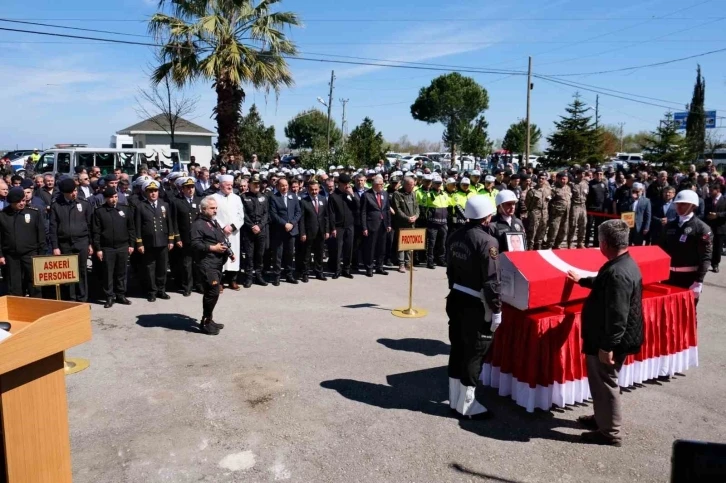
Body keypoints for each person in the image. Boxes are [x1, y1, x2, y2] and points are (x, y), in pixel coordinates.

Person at [566, 220, 643, 447]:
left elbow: (617, 316)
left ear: (606, 243)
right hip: (617, 337)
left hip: (609, 340)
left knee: (605, 382)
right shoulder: (623, 263)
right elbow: (603, 284)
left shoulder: (618, 272)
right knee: (602, 382)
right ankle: (602, 418)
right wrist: (582, 280)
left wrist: (607, 347)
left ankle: (609, 432)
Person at [445, 196, 501, 419]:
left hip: (456, 296)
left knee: (457, 347)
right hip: (476, 302)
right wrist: (496, 309)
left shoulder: (455, 236)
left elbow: (449, 270)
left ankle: (454, 399)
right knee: (475, 352)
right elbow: (491, 280)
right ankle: (467, 405)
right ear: (487, 217)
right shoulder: (488, 242)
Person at [659, 189, 712, 304]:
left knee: (686, 314)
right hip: (668, 277)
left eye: (683, 204)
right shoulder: (669, 226)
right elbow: (661, 250)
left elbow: (705, 257)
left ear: (693, 206)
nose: (679, 207)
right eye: (677, 204)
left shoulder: (702, 228)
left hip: (689, 278)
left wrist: (699, 281)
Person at [191, 196, 232, 335]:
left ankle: (209, 318)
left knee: (212, 292)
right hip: (206, 263)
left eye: (216, 208)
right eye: (212, 208)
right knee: (213, 291)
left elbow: (222, 238)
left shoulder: (213, 222)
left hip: (217, 262)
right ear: (203, 209)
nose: (215, 211)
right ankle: (206, 322)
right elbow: (195, 244)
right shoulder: (198, 224)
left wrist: (230, 252)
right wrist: (212, 248)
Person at [49, 178, 93, 302]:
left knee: (82, 270)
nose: (74, 193)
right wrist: (55, 246)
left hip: (82, 241)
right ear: (64, 193)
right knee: (68, 273)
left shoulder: (84, 203)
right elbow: (53, 227)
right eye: (71, 192)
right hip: (64, 243)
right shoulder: (56, 205)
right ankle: (70, 298)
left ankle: (83, 297)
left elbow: (90, 224)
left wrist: (90, 244)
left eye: (75, 190)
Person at [92, 187, 135, 308]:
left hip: (123, 246)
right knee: (108, 273)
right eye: (111, 197)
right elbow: (96, 232)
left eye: (115, 197)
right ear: (106, 198)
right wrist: (98, 249)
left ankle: (120, 295)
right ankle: (109, 296)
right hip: (107, 248)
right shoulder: (100, 211)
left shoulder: (125, 209)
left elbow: (131, 228)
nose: (113, 199)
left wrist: (131, 244)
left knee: (121, 272)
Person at [0, 187, 46, 297]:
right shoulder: (3, 215)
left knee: (34, 282)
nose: (22, 203)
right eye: (18, 202)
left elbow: (41, 234)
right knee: (14, 284)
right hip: (11, 255)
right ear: (11, 202)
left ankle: (36, 306)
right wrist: (1, 255)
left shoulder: (33, 213)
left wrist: (41, 254)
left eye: (23, 201)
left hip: (30, 253)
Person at [135, 179, 175, 302]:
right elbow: (137, 226)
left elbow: (169, 223)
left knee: (162, 268)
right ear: (146, 192)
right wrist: (139, 243)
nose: (153, 193)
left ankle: (161, 290)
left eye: (155, 191)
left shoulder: (164, 205)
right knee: (150, 268)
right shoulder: (141, 206)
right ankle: (151, 291)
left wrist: (171, 240)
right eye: (150, 191)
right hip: (148, 243)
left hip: (163, 241)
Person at [211, 174, 245, 290]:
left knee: (234, 256)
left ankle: (232, 280)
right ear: (220, 185)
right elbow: (212, 215)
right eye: (227, 185)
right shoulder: (213, 198)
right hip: (219, 232)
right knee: (221, 257)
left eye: (231, 185)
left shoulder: (237, 198)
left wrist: (232, 227)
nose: (230, 187)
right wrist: (222, 227)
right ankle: (220, 282)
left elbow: (241, 216)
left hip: (234, 233)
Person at [170, 177, 202, 296]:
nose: (190, 189)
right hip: (184, 237)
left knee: (198, 262)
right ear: (182, 189)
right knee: (186, 263)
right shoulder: (176, 201)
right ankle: (187, 286)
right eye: (187, 187)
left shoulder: (199, 200)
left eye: (192, 187)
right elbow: (174, 222)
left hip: (198, 237)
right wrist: (177, 238)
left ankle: (199, 284)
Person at [269, 178, 301, 285]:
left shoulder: (293, 196)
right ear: (278, 186)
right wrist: (284, 224)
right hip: (279, 230)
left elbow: (298, 212)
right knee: (278, 255)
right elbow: (273, 214)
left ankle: (289, 275)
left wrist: (292, 223)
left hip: (292, 230)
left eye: (286, 185)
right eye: (282, 185)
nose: (285, 187)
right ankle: (276, 276)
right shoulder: (274, 197)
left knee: (290, 253)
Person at [360, 175, 392, 277]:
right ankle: (369, 268)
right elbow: (363, 212)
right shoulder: (366, 195)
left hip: (383, 225)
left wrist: (388, 224)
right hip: (371, 225)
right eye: (380, 184)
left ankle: (380, 267)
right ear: (374, 185)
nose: (382, 186)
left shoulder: (385, 193)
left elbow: (387, 210)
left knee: (381, 247)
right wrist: (364, 227)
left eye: (382, 184)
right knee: (371, 248)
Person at [240, 174, 269, 288]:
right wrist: (252, 226)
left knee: (260, 254)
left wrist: (260, 226)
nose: (257, 186)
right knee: (249, 255)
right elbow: (243, 214)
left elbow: (266, 214)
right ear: (249, 185)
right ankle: (248, 277)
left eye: (258, 184)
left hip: (261, 230)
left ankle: (258, 275)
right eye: (254, 184)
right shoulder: (243, 197)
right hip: (249, 230)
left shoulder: (264, 197)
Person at [299, 179, 330, 282]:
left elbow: (326, 216)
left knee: (319, 253)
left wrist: (326, 230)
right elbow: (302, 219)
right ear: (308, 189)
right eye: (312, 190)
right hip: (309, 232)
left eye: (316, 189)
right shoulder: (304, 201)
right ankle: (305, 273)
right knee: (306, 254)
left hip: (321, 231)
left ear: (319, 189)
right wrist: (302, 233)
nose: (314, 192)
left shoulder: (323, 199)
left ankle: (319, 272)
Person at [327, 174, 358, 279]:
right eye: (345, 184)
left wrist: (352, 196)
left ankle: (346, 270)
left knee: (348, 248)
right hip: (338, 226)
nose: (347, 186)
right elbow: (331, 213)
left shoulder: (349, 194)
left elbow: (357, 207)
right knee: (338, 249)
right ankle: (337, 270)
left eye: (348, 184)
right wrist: (333, 228)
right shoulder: (333, 195)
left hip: (349, 225)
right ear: (339, 183)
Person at [391, 176, 419, 273]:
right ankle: (401, 264)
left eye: (413, 185)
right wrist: (407, 218)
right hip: (402, 223)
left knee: (410, 244)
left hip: (412, 223)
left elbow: (417, 207)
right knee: (402, 244)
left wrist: (416, 216)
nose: (413, 186)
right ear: (405, 184)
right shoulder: (397, 194)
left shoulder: (413, 193)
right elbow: (397, 209)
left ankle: (409, 263)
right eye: (411, 185)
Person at [545, 171, 571, 249]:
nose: (564, 181)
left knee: (563, 231)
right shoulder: (553, 188)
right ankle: (549, 245)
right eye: (562, 179)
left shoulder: (568, 188)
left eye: (566, 179)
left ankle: (557, 245)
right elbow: (548, 201)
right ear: (558, 179)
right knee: (553, 230)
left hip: (566, 213)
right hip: (556, 214)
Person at [705, 183, 726, 273]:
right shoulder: (708, 200)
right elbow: (704, 211)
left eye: (711, 191)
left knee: (717, 247)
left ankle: (715, 264)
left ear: (718, 191)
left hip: (720, 228)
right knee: (706, 246)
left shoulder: (724, 200)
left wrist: (717, 215)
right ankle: (705, 263)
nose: (709, 192)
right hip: (708, 227)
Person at [525, 174, 549, 250]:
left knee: (543, 229)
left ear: (545, 180)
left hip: (544, 212)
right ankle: (530, 247)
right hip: (535, 212)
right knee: (532, 230)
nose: (541, 180)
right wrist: (532, 211)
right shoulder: (532, 190)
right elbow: (527, 203)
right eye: (539, 178)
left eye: (543, 178)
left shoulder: (548, 190)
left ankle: (539, 245)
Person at [568, 169, 589, 249]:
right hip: (575, 205)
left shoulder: (586, 184)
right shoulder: (572, 184)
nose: (582, 175)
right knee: (573, 224)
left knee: (583, 224)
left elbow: (586, 195)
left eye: (583, 173)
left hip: (583, 206)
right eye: (580, 173)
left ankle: (580, 242)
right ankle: (570, 242)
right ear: (577, 174)